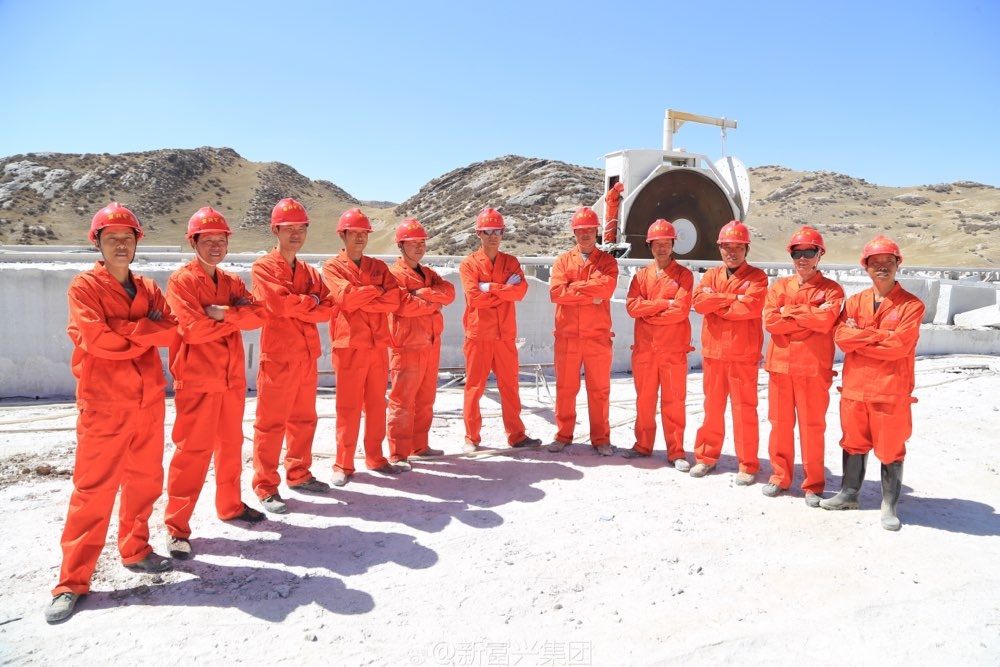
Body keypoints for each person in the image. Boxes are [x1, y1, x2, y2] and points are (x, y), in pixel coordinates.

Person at [46, 202, 178, 624]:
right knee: (93, 492)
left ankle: (135, 549)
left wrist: (124, 328)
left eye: (127, 238)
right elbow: (98, 340)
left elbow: (172, 329)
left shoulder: (149, 287)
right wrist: (145, 329)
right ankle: (71, 582)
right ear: (97, 244)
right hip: (104, 404)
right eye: (111, 238)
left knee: (145, 481)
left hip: (148, 401)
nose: (120, 245)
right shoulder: (84, 287)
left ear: (137, 242)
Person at [163, 207, 268, 560]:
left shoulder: (231, 282)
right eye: (207, 240)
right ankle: (177, 527)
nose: (215, 246)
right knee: (191, 454)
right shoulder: (182, 281)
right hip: (197, 381)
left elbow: (259, 315)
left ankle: (230, 505)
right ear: (193, 242)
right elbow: (192, 329)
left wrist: (224, 313)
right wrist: (235, 319)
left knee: (231, 445)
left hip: (231, 380)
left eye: (220, 240)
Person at [821, 235, 924, 531]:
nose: (882, 267)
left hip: (890, 391)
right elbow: (842, 338)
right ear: (865, 266)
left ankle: (889, 503)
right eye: (875, 262)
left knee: (891, 447)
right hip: (855, 389)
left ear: (897, 264)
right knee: (853, 442)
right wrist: (880, 336)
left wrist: (861, 337)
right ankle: (849, 494)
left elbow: (899, 346)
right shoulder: (854, 302)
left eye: (888, 261)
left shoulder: (911, 306)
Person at [251, 198, 334, 515]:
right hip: (278, 358)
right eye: (289, 228)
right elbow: (278, 304)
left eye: (301, 228)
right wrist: (310, 301)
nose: (296, 234)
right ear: (275, 230)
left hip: (306, 356)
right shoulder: (263, 267)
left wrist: (302, 303)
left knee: (304, 420)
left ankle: (299, 473)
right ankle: (265, 486)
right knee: (270, 424)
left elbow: (328, 309)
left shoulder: (310, 271)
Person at [761, 227, 845, 507]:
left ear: (820, 254)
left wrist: (789, 312)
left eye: (809, 252)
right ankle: (780, 476)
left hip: (812, 369)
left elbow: (825, 321)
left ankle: (813, 484)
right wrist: (808, 316)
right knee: (779, 425)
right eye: (797, 253)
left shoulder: (832, 290)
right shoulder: (778, 287)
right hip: (780, 368)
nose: (803, 258)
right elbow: (771, 322)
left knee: (812, 427)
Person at [323, 208, 402, 486]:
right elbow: (345, 299)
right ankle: (343, 464)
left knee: (377, 405)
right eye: (354, 233)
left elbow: (394, 300)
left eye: (363, 233)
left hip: (377, 345)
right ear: (342, 235)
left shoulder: (378, 267)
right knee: (348, 407)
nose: (359, 238)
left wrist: (361, 295)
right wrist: (376, 291)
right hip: (349, 347)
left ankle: (376, 457)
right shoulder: (332, 267)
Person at [689, 220, 768, 483]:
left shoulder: (758, 278)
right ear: (720, 248)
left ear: (746, 249)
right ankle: (706, 457)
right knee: (712, 408)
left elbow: (750, 308)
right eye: (727, 247)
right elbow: (700, 303)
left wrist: (717, 302)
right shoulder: (710, 275)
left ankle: (747, 464)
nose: (732, 252)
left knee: (744, 410)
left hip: (743, 356)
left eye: (738, 247)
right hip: (714, 354)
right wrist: (733, 298)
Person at [458, 207, 542, 453]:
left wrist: (490, 288)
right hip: (479, 335)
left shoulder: (511, 262)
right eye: (487, 231)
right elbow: (474, 298)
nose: (493, 236)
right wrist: (504, 288)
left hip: (505, 335)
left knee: (510, 386)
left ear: (503, 233)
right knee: (475, 387)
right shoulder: (469, 264)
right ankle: (471, 438)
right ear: (479, 234)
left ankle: (517, 435)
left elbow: (520, 292)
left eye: (497, 231)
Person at [621, 219, 694, 470]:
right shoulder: (641, 276)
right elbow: (632, 307)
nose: (661, 248)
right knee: (644, 400)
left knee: (674, 401)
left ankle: (676, 451)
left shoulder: (684, 275)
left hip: (672, 350)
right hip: (645, 350)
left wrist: (648, 311)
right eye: (657, 244)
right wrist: (664, 304)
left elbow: (680, 311)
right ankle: (642, 445)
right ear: (649, 246)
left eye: (666, 243)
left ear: (673, 244)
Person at [546, 207, 619, 456]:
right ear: (574, 232)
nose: (585, 234)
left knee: (599, 390)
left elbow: (606, 289)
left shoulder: (608, 262)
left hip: (597, 337)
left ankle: (601, 439)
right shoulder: (563, 261)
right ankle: (562, 435)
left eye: (589, 229)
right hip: (567, 337)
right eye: (580, 230)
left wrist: (574, 288)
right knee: (565, 389)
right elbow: (557, 293)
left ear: (596, 231)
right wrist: (590, 294)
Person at [387, 218, 456, 464]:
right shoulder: (394, 275)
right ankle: (398, 453)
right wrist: (433, 304)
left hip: (430, 343)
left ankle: (419, 445)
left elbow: (449, 293)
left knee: (425, 400)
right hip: (407, 346)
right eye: (413, 242)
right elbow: (403, 306)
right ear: (401, 245)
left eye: (422, 242)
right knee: (403, 401)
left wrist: (422, 294)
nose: (419, 247)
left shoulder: (428, 273)